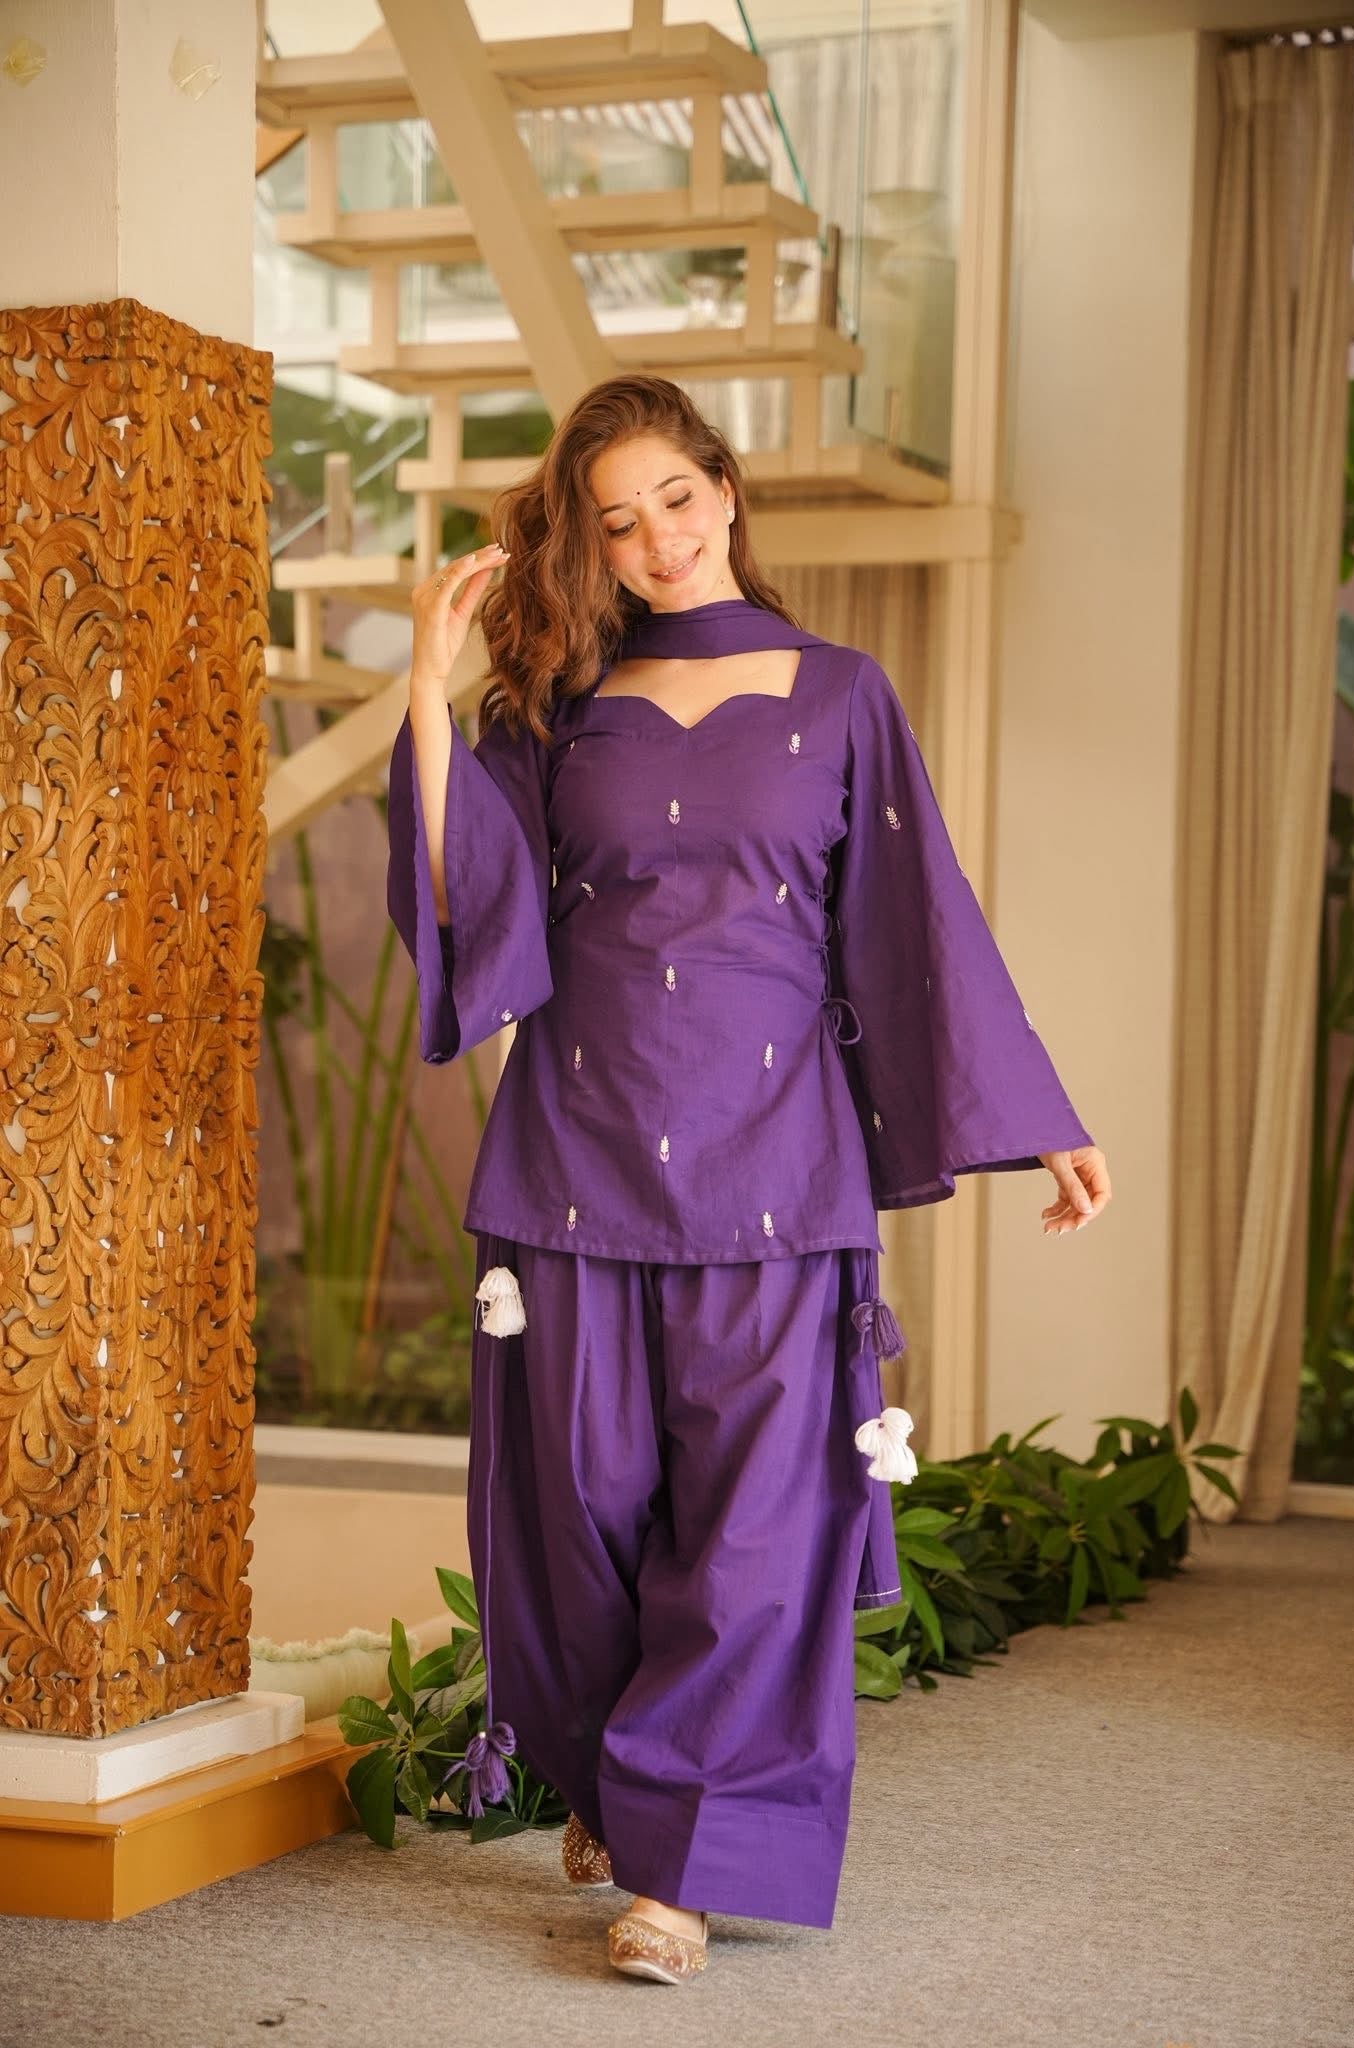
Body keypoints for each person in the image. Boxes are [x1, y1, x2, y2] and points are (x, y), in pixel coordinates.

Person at [386, 372, 1110, 1985]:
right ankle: (614, 1782)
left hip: (780, 1166)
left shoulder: (840, 694)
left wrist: (1036, 1114)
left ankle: (679, 1876)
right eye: (615, 520)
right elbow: (466, 900)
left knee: (756, 1535)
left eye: (674, 498)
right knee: (572, 1518)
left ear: (723, 488)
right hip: (573, 1159)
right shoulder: (558, 703)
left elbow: (918, 917)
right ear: (588, 543)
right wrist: (428, 690)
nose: (655, 538)